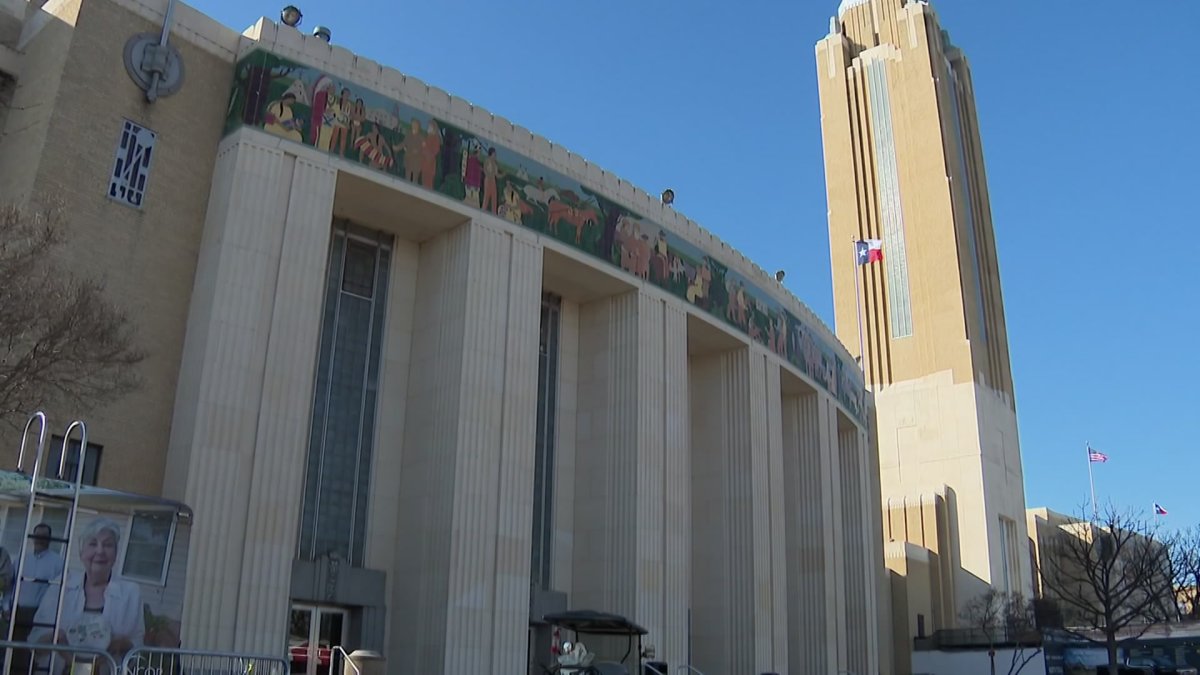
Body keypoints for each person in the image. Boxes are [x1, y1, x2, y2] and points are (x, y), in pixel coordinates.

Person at [30, 518, 144, 674]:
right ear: (81, 552)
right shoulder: (61, 586)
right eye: (92, 544)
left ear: (116, 553)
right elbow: (35, 642)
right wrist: (53, 639)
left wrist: (123, 645)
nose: (100, 551)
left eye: (108, 545)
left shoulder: (131, 593)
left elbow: (138, 652)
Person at [9, 523, 65, 671]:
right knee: (13, 649)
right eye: (37, 536)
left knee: (33, 652)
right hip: (18, 612)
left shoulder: (58, 563)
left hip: (41, 615)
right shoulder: (22, 559)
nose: (40, 539)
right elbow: (10, 585)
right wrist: (7, 606)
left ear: (50, 539)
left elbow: (59, 591)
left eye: (44, 536)